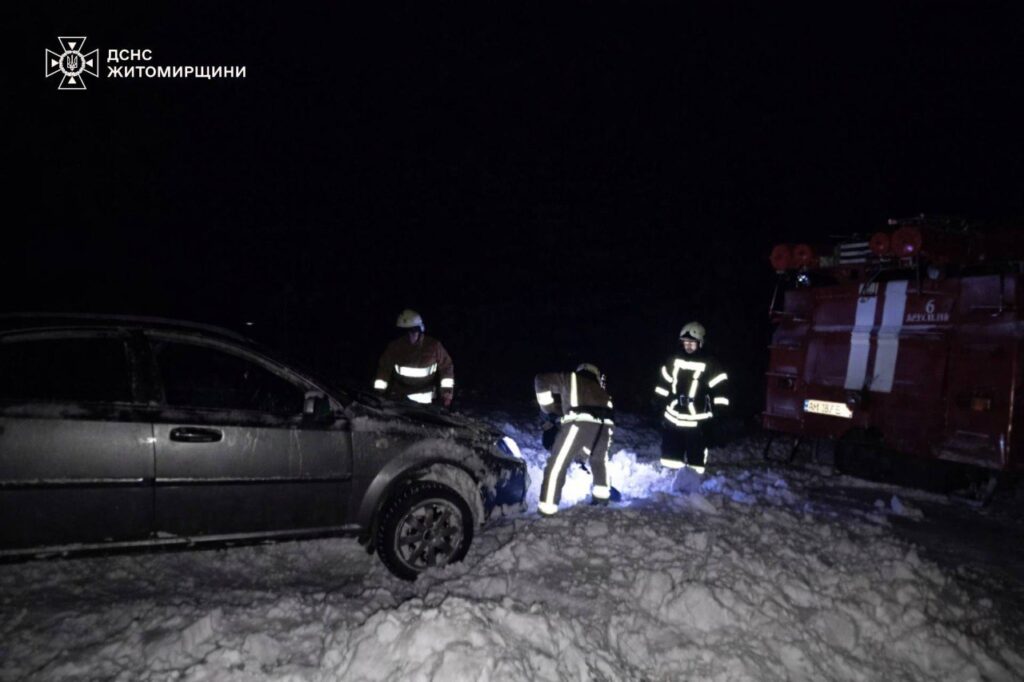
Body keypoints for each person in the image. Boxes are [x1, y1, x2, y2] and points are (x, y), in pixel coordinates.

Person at [534, 363, 614, 515]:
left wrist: (548, 408)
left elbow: (541, 380)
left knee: (557, 464)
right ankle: (601, 499)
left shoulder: (571, 378)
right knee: (599, 462)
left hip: (578, 424)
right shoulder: (602, 392)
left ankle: (547, 507)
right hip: (605, 428)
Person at [653, 321, 729, 474]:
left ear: (700, 343)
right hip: (673, 417)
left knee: (696, 459)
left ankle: (693, 488)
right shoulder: (673, 361)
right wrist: (657, 401)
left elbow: (720, 388)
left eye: (692, 343)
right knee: (670, 457)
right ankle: (668, 485)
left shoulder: (711, 364)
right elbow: (663, 383)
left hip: (697, 421)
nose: (688, 346)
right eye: (685, 343)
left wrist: (720, 410)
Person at [373, 309, 455, 407]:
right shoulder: (395, 347)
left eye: (413, 331)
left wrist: (446, 394)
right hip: (399, 396)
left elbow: (446, 368)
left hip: (424, 398)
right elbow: (384, 368)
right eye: (407, 332)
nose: (411, 335)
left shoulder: (434, 346)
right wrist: (379, 392)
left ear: (420, 330)